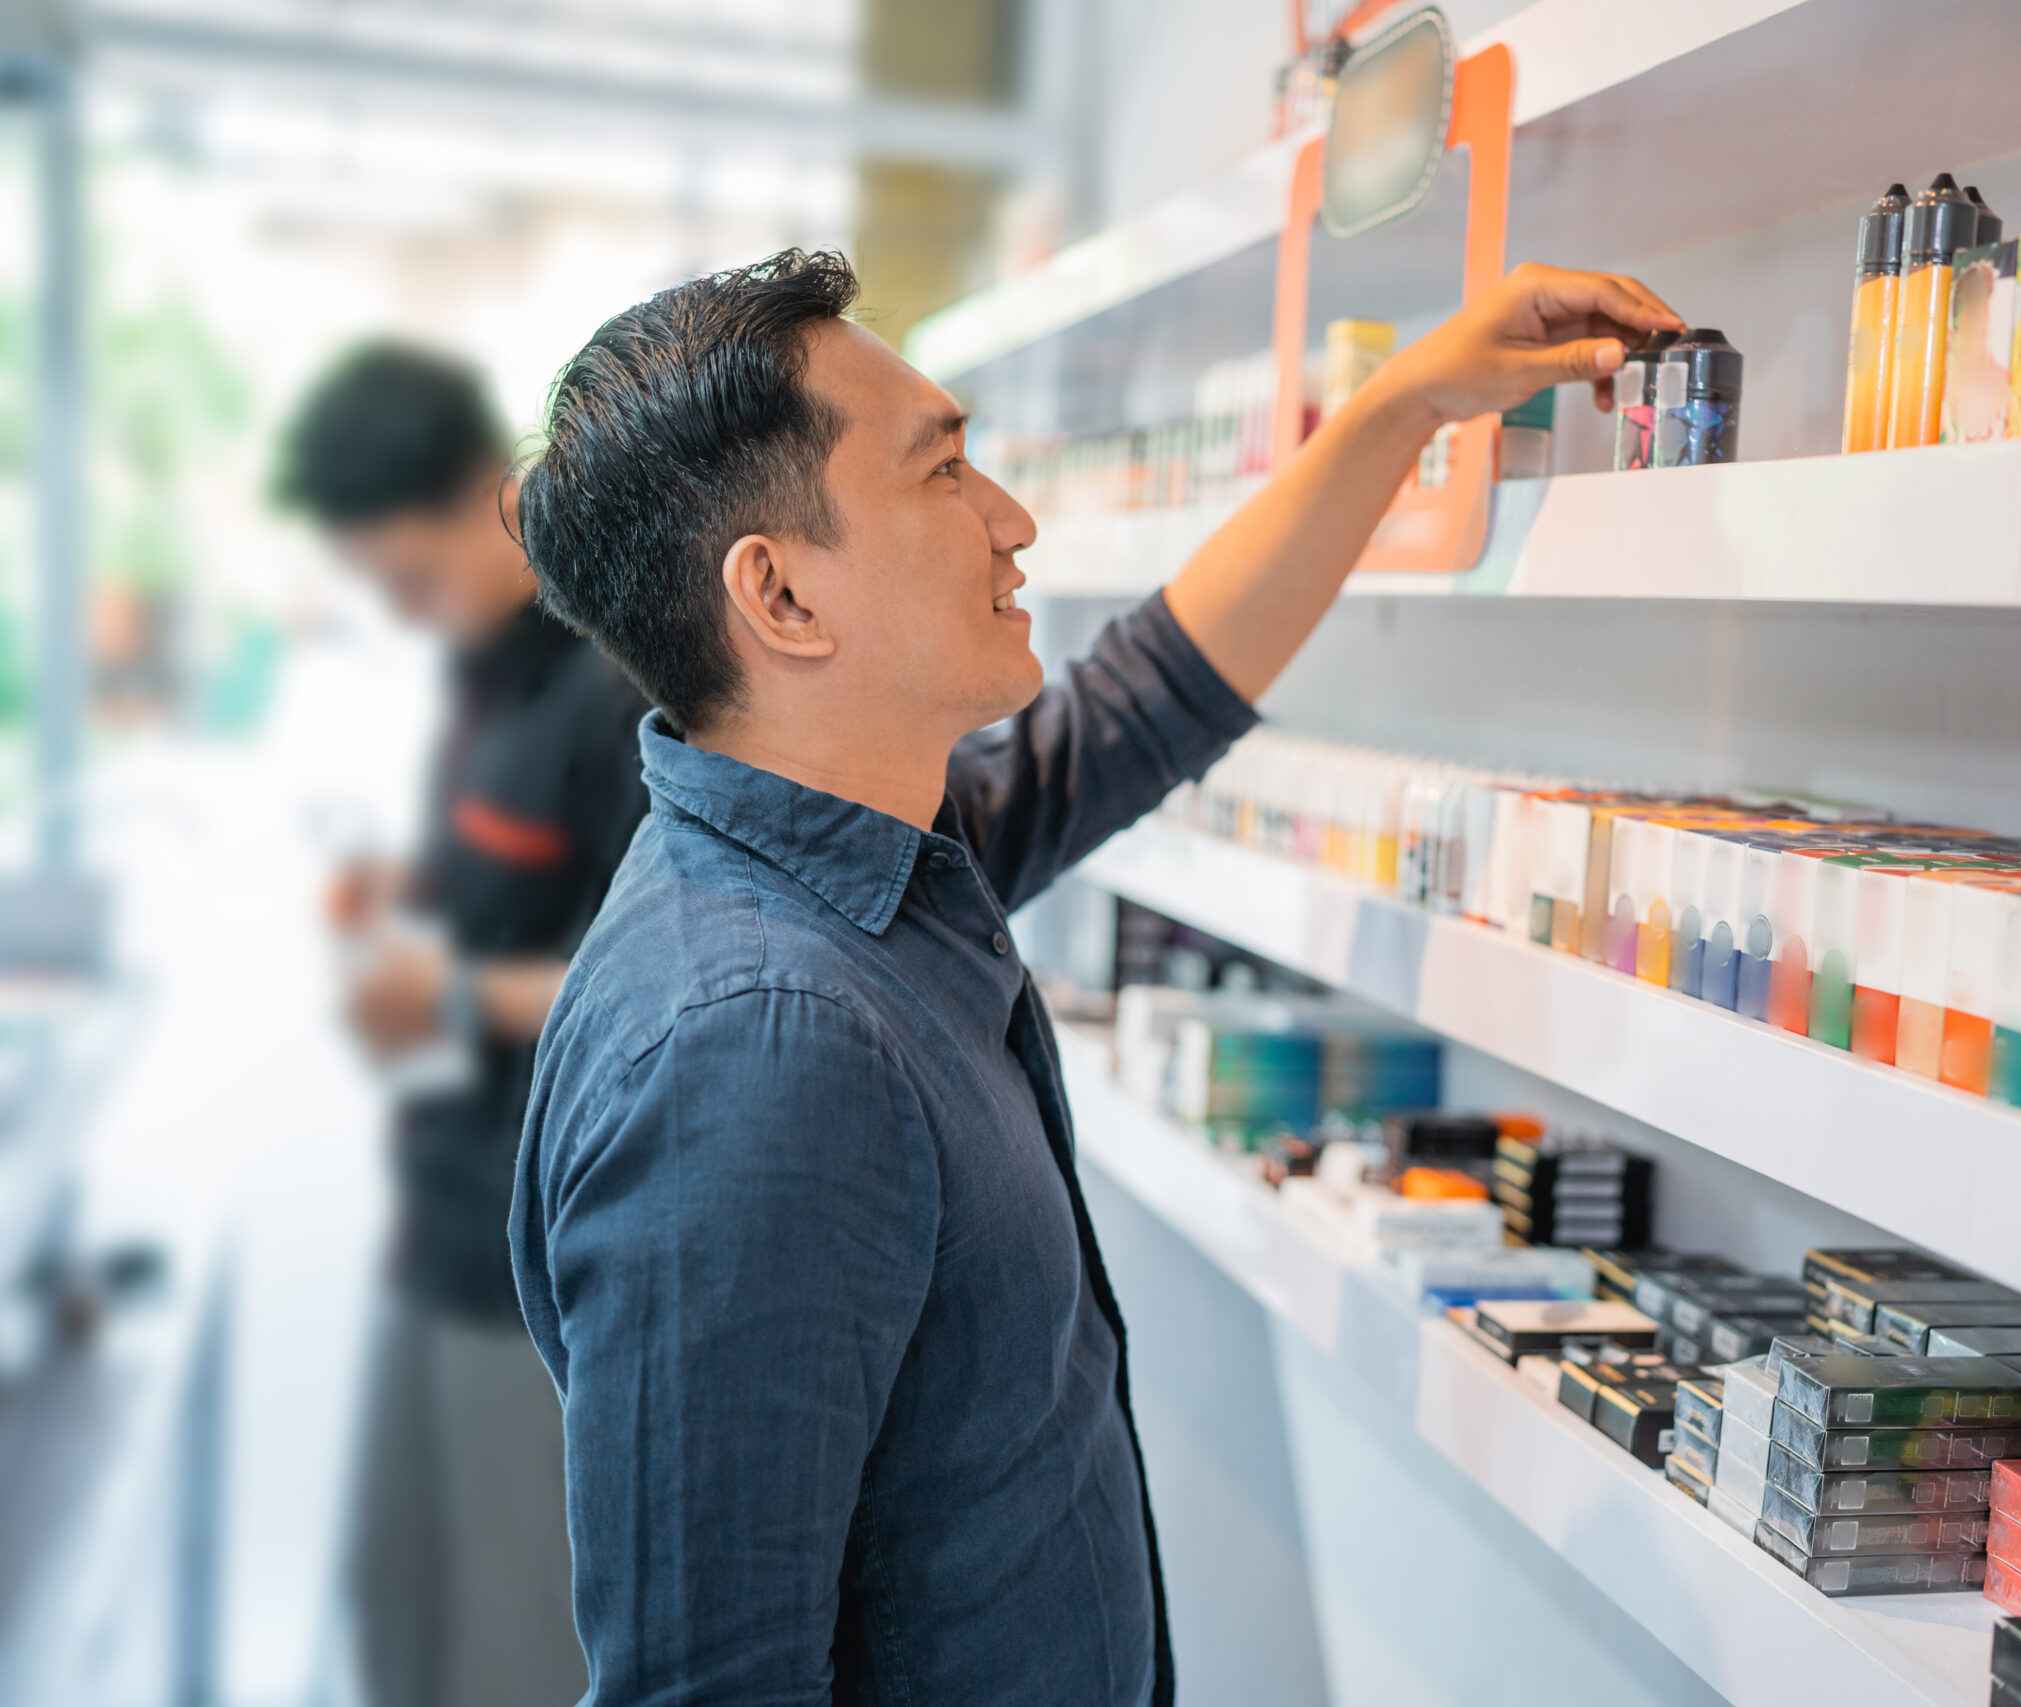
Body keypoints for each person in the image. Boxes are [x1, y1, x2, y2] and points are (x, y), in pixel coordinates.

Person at [511, 249, 1677, 1705]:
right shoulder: (759, 1048)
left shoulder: (881, 860)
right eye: (943, 475)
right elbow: (707, 1686)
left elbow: (1144, 701)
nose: (1013, 521)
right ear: (784, 595)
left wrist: (1407, 403)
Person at [276, 342, 647, 1707]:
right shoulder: (478, 679)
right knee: (395, 1617)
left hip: (538, 1275)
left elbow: (646, 990)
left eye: (415, 580)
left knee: (510, 1657)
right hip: (435, 1233)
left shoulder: (620, 689)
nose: (408, 613)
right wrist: (410, 905)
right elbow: (507, 903)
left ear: (493, 496)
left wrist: (442, 991)